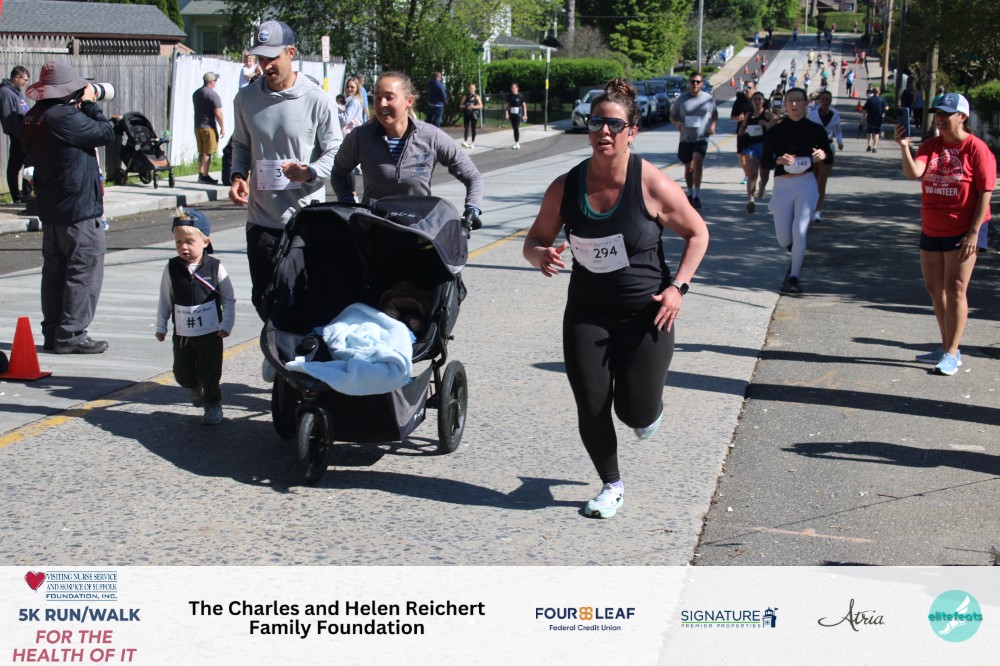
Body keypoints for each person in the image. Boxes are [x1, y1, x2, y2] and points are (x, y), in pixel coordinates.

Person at [522, 77, 709, 519]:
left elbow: (698, 233)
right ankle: (611, 485)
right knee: (591, 403)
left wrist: (678, 288)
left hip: (647, 315)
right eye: (596, 123)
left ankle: (648, 413)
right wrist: (539, 255)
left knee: (634, 412)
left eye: (614, 124)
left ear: (632, 132)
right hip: (588, 311)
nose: (603, 131)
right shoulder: (565, 187)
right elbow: (534, 240)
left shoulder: (652, 185)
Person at [229, 19, 341, 338]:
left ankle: (296, 351)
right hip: (262, 219)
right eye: (260, 59)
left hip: (304, 220)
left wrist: (309, 171)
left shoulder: (316, 99)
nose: (265, 66)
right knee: (264, 297)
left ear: (291, 53)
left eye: (272, 58)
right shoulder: (246, 99)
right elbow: (241, 144)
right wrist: (238, 175)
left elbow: (336, 150)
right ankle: (277, 345)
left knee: (303, 297)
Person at [894, 92, 996, 376]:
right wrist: (904, 147)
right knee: (934, 288)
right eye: (937, 114)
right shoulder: (931, 145)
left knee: (956, 289)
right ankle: (945, 346)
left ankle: (952, 353)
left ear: (962, 117)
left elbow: (985, 192)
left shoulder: (977, 149)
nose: (939, 119)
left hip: (965, 228)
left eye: (945, 114)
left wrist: (974, 232)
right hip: (932, 226)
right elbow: (914, 172)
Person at [22, 61, 116, 354]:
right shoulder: (64, 117)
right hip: (78, 210)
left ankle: (54, 333)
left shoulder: (34, 116)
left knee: (55, 272)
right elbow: (106, 133)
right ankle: (72, 334)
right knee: (83, 270)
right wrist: (90, 104)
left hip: (52, 208)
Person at [331, 71, 483, 224]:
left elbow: (472, 176)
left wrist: (473, 207)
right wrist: (349, 204)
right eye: (377, 98)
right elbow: (338, 172)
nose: (382, 103)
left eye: (389, 97)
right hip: (373, 231)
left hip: (418, 231)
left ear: (409, 101)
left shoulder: (431, 136)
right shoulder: (360, 137)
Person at [155, 209, 235, 425]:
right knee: (182, 374)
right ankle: (193, 384)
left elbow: (228, 299)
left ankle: (213, 403)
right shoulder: (172, 268)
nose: (184, 247)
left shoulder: (216, 267)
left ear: (205, 241)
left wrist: (226, 324)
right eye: (178, 242)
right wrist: (161, 326)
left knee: (211, 372)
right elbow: (165, 299)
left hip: (211, 333)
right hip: (183, 334)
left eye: (190, 241)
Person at [761, 87, 832, 294]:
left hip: (806, 184)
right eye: (790, 100)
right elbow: (765, 161)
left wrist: (822, 155)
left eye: (798, 100)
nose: (794, 104)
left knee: (800, 231)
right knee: (784, 239)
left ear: (805, 104)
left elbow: (829, 156)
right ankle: (795, 247)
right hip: (783, 185)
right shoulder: (776, 130)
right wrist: (778, 160)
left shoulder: (815, 130)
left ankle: (794, 277)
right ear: (785, 104)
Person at [669, 72, 717, 209]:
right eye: (692, 81)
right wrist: (677, 123)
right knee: (688, 168)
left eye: (697, 82)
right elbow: (672, 115)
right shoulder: (682, 99)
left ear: (701, 83)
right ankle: (690, 194)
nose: (695, 84)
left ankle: (696, 195)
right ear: (689, 83)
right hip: (686, 138)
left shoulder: (708, 99)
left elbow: (714, 113)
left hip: (701, 138)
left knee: (697, 163)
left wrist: (712, 125)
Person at [806, 90, 844, 222]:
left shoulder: (835, 115)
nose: (825, 102)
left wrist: (840, 142)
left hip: (827, 147)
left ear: (831, 101)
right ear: (819, 100)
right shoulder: (811, 114)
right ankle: (809, 207)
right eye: (822, 99)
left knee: (822, 180)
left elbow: (838, 130)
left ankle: (817, 210)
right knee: (812, 178)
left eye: (827, 99)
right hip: (813, 147)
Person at [739, 91, 776, 213]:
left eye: (759, 99)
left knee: (764, 176)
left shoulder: (768, 114)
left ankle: (762, 186)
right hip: (752, 147)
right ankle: (751, 200)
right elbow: (742, 129)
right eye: (755, 99)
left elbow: (778, 124)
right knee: (753, 174)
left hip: (765, 147)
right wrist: (742, 135)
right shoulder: (749, 115)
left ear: (763, 101)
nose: (757, 101)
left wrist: (766, 124)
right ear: (752, 102)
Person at [1, 66, 30, 203]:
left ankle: (27, 196)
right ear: (17, 77)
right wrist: (21, 136)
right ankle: (18, 198)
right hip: (19, 137)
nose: (26, 83)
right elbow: (9, 119)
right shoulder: (6, 93)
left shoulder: (16, 92)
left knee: (29, 164)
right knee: (14, 167)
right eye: (25, 80)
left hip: (25, 136)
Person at [193, 72, 224, 184]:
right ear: (211, 82)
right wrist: (222, 127)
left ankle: (200, 173)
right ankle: (205, 176)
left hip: (197, 126)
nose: (216, 82)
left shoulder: (196, 93)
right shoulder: (213, 95)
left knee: (201, 152)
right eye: (215, 80)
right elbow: (218, 113)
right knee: (208, 152)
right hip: (208, 127)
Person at [730, 81, 754, 185]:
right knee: (742, 155)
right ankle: (747, 175)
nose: (747, 90)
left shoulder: (757, 99)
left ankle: (754, 174)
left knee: (754, 155)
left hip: (756, 132)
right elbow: (732, 116)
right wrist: (738, 118)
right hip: (742, 131)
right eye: (745, 88)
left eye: (749, 88)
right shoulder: (739, 101)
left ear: (754, 88)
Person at [863, 86, 888, 152]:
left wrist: (862, 119)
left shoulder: (869, 100)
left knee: (869, 132)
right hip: (878, 119)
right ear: (879, 92)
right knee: (877, 133)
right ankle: (874, 147)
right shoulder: (882, 99)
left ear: (873, 92)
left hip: (870, 118)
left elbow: (864, 110)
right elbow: (886, 108)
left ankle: (869, 145)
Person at [460, 83, 482, 149]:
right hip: (467, 114)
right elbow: (461, 105)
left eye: (472, 88)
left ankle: (473, 143)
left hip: (474, 114)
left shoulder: (477, 97)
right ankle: (465, 141)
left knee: (473, 128)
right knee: (466, 128)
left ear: (475, 89)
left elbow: (481, 106)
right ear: (469, 89)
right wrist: (466, 106)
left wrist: (474, 107)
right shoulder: (466, 96)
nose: (471, 89)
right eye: (470, 88)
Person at [505, 82, 527, 149]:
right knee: (514, 128)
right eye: (512, 88)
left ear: (517, 88)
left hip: (518, 114)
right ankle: (516, 143)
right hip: (512, 114)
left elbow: (524, 106)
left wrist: (525, 114)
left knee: (516, 127)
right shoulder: (510, 96)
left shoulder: (520, 96)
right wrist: (507, 113)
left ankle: (517, 143)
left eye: (514, 88)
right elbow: (507, 106)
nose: (513, 89)